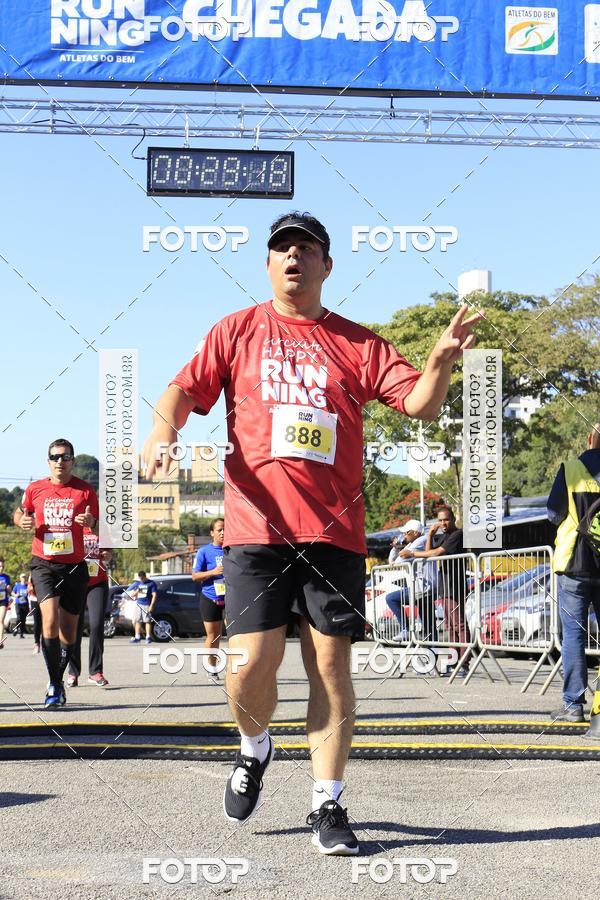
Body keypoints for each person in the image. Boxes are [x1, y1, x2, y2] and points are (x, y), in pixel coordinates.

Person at [142, 211, 480, 855]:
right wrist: (163, 433)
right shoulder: (236, 331)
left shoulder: (357, 343)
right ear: (267, 265)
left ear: (327, 266)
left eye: (306, 248)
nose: (292, 257)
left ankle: (328, 804)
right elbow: (182, 390)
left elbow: (420, 404)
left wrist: (439, 359)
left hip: (334, 534)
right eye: (280, 249)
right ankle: (254, 746)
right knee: (247, 666)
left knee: (329, 667)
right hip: (256, 527)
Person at [13, 438, 99, 708]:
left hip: (74, 567)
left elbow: (97, 527)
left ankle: (58, 681)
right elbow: (20, 514)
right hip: (44, 564)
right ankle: (53, 684)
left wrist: (91, 522)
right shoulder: (35, 489)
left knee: (69, 633)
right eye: (55, 457)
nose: (60, 461)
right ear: (48, 460)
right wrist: (22, 520)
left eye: (65, 457)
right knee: (48, 620)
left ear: (73, 461)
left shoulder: (85, 491)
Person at [547, 423, 600, 722]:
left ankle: (573, 705)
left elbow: (554, 514)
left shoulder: (570, 469)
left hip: (574, 564)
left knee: (574, 636)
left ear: (590, 439)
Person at [405, 505, 469, 676]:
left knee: (459, 624)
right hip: (445, 586)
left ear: (453, 519)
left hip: (455, 585)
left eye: (446, 519)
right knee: (449, 626)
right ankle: (453, 661)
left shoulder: (457, 534)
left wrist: (412, 554)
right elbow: (428, 552)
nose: (443, 523)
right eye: (440, 520)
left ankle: (463, 663)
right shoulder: (444, 535)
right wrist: (431, 535)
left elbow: (435, 554)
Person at [67, 529, 112, 687]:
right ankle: (73, 672)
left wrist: (107, 556)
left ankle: (95, 671)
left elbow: (108, 553)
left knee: (97, 624)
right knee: (74, 627)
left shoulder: (102, 527)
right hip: (75, 581)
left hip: (97, 582)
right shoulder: (73, 523)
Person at [192, 518, 226, 683]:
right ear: (212, 533)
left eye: (225, 529)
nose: (223, 532)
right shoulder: (204, 551)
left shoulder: (232, 550)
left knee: (235, 635)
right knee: (213, 636)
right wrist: (213, 572)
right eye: (219, 529)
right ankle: (212, 669)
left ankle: (239, 670)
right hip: (210, 597)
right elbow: (195, 576)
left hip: (231, 598)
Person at [385, 521, 431, 642]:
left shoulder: (421, 540)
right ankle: (430, 649)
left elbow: (398, 562)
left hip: (423, 587)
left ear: (415, 532)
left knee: (391, 598)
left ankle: (407, 630)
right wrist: (396, 547)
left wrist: (402, 549)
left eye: (407, 533)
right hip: (418, 587)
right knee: (427, 623)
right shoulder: (412, 543)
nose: (404, 535)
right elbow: (392, 561)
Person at [127, 571, 158, 644]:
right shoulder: (139, 583)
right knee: (137, 620)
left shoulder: (151, 583)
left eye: (142, 578)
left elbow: (154, 595)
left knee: (147, 621)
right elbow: (135, 593)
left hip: (146, 604)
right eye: (140, 578)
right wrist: (135, 592)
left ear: (145, 577)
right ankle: (137, 637)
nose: (141, 580)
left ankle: (148, 637)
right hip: (138, 604)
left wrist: (151, 605)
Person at [11, 573, 29, 639]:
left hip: (25, 604)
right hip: (18, 604)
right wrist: (15, 595)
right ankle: (15, 629)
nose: (24, 578)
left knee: (23, 619)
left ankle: (21, 633)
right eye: (22, 577)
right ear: (20, 578)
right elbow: (12, 593)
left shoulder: (27, 586)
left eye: (24, 577)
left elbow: (30, 593)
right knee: (19, 617)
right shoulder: (17, 585)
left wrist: (29, 591)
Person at [0, 557, 12, 648]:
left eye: (2, 566)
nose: (1, 568)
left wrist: (9, 589)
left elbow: (9, 591)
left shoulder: (6, 577)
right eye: (0, 566)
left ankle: (0, 641)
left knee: (1, 620)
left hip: (3, 601)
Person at [28, 575, 41, 654]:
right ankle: (37, 643)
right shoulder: (32, 574)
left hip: (46, 598)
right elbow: (29, 590)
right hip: (35, 599)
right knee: (37, 622)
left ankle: (47, 644)